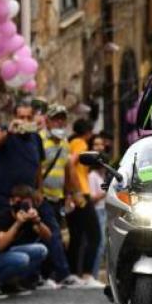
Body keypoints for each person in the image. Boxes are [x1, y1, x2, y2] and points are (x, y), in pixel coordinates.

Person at [0, 185, 51, 300]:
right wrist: (17, 223)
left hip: (4, 254)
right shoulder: (1, 216)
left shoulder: (27, 216)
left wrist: (38, 221)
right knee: (22, 258)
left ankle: (10, 282)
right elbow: (0, 245)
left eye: (27, 204)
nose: (22, 207)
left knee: (41, 250)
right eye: (20, 202)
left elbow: (48, 237)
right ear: (11, 201)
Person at [38, 104, 84, 288]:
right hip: (43, 197)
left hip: (57, 197)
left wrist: (72, 193)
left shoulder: (64, 142)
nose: (60, 122)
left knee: (50, 236)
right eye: (56, 118)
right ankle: (64, 274)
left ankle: (45, 276)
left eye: (62, 119)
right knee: (54, 234)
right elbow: (35, 168)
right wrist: (38, 191)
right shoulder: (39, 140)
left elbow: (67, 169)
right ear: (47, 121)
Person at [66, 118, 104, 288]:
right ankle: (88, 275)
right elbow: (71, 163)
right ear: (88, 133)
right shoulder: (81, 143)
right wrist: (77, 191)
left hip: (74, 194)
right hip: (82, 194)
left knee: (76, 237)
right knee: (95, 235)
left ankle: (73, 274)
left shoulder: (71, 141)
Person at [88, 133, 109, 282]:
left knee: (105, 244)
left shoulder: (102, 176)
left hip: (105, 210)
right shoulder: (92, 176)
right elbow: (92, 198)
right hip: (97, 211)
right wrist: (106, 192)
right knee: (99, 244)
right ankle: (93, 275)